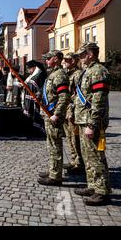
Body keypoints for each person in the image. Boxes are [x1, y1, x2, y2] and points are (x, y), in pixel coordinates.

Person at [74, 42, 111, 206]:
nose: (80, 58)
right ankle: (92, 186)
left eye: (82, 54)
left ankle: (102, 192)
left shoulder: (98, 71)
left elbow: (99, 100)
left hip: (92, 121)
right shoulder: (87, 71)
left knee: (96, 157)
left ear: (90, 54)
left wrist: (93, 124)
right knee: (88, 157)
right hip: (84, 119)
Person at [38, 51, 70, 186]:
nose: (46, 61)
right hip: (48, 114)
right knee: (51, 145)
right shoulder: (53, 74)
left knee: (55, 145)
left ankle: (55, 176)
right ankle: (53, 170)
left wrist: (57, 114)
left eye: (48, 59)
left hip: (53, 115)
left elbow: (64, 96)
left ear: (56, 59)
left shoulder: (59, 75)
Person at [62, 52, 84, 175]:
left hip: (73, 111)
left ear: (74, 61)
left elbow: (78, 95)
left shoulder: (77, 74)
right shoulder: (67, 74)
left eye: (67, 60)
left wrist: (72, 109)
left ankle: (79, 163)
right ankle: (73, 160)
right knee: (69, 137)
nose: (64, 62)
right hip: (67, 110)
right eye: (64, 59)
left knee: (75, 138)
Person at [22, 60, 47, 133]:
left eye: (29, 68)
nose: (28, 70)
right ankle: (32, 129)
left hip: (37, 98)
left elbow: (43, 86)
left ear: (34, 67)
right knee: (30, 114)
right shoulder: (31, 76)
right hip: (28, 98)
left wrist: (38, 94)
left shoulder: (40, 74)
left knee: (37, 114)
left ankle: (39, 130)